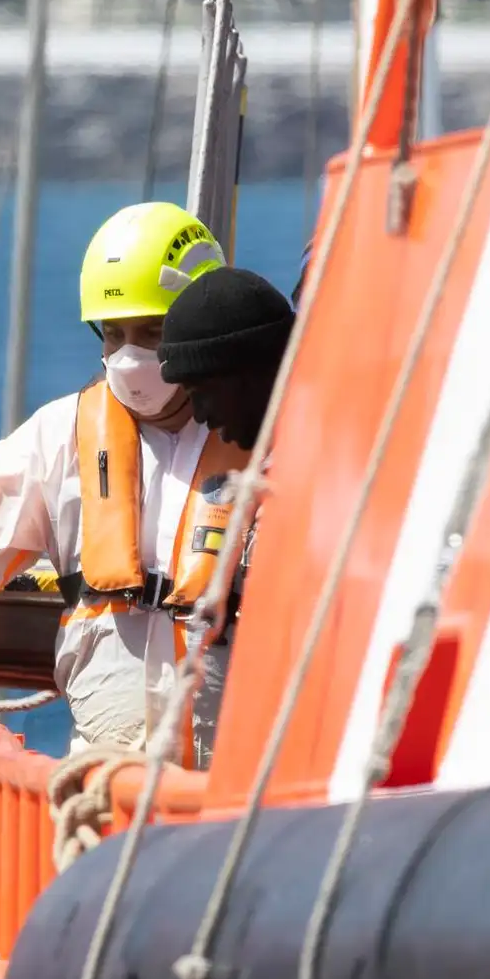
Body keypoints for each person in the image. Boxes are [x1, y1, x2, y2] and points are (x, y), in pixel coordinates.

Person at [0, 200, 239, 758]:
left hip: (238, 791)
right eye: (113, 334)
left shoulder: (260, 437)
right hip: (98, 787)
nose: (129, 356)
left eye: (153, 331)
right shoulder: (61, 436)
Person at [155, 265, 296, 767]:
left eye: (202, 391)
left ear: (251, 370)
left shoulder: (323, 481)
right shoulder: (277, 476)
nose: (199, 416)